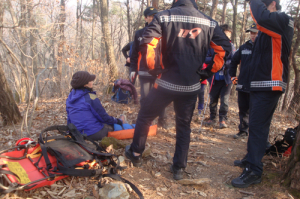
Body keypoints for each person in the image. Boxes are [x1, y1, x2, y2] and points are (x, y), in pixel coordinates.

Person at [125, 0, 231, 180]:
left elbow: (148, 44)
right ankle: (179, 168)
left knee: (145, 116)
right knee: (184, 126)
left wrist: (154, 70)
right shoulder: (209, 22)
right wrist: (206, 73)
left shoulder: (163, 16)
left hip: (165, 83)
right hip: (191, 86)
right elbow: (224, 49)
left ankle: (135, 153)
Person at [231, 0, 294, 188]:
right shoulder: (267, 27)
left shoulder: (281, 19)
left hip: (270, 85)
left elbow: (260, 17)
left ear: (273, 3)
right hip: (260, 85)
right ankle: (250, 159)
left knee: (257, 127)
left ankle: (254, 171)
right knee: (257, 127)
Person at [130, 7, 167, 129]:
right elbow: (134, 54)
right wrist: (132, 69)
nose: (153, 17)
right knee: (145, 97)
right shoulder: (139, 33)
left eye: (156, 15)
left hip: (160, 71)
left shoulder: (164, 32)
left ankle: (163, 121)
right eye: (151, 16)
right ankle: (146, 122)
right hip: (144, 71)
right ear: (146, 18)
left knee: (161, 96)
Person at [66, 71, 124, 141]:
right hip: (93, 134)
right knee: (113, 126)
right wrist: (118, 121)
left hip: (76, 134)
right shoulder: (91, 97)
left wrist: (70, 132)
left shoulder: (70, 97)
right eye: (90, 80)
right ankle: (126, 124)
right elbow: (103, 117)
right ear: (85, 84)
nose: (92, 82)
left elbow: (69, 118)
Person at [229, 23, 258, 139]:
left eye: (255, 33)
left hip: (257, 86)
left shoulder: (263, 47)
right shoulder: (243, 47)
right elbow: (233, 62)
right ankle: (243, 130)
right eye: (251, 33)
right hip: (242, 84)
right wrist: (232, 76)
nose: (252, 35)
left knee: (255, 111)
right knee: (243, 109)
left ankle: (255, 134)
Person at [204, 24, 235, 128]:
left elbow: (233, 60)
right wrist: (214, 60)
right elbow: (206, 58)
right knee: (213, 98)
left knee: (224, 100)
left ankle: (222, 120)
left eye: (229, 35)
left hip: (226, 78)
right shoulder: (212, 45)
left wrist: (223, 62)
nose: (228, 37)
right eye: (226, 34)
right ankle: (212, 118)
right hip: (214, 77)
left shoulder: (231, 46)